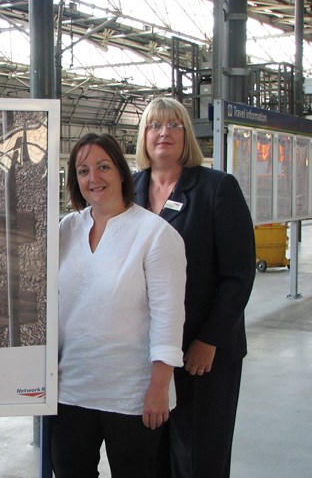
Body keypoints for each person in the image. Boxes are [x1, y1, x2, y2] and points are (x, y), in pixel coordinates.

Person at [132, 97, 256, 478]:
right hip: (147, 353)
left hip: (202, 355)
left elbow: (238, 274)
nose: (163, 133)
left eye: (173, 125)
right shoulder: (128, 190)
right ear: (144, 136)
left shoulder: (217, 188)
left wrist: (210, 340)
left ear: (187, 136)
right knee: (150, 456)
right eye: (154, 125)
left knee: (199, 457)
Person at [51, 133, 187, 478]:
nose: (93, 179)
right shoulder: (66, 230)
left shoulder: (155, 234)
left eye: (103, 167)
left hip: (131, 393)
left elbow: (168, 317)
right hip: (71, 388)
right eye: (83, 171)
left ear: (122, 173)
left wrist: (159, 387)